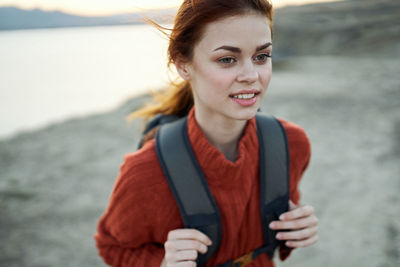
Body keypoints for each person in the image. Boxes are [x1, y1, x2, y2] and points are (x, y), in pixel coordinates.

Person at [94, 0, 319, 266]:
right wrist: (163, 263)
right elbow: (112, 247)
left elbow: (275, 223)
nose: (251, 75)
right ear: (183, 65)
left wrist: (296, 228)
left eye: (261, 56)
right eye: (227, 59)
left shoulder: (291, 143)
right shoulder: (146, 171)